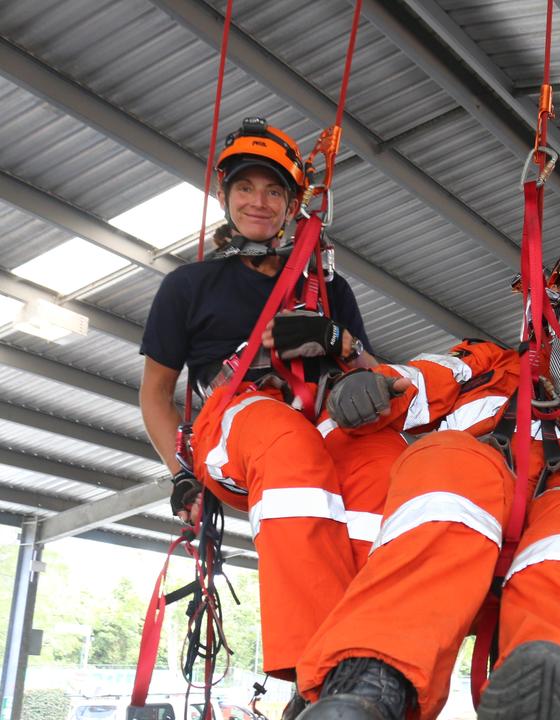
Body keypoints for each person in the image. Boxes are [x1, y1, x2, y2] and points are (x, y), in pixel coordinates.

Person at [290, 232, 560, 720]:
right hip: (476, 505)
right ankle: (370, 688)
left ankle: (554, 700)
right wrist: (372, 387)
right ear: (559, 293)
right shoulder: (487, 363)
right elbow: (420, 381)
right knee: (448, 459)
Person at [139, 117, 407, 683]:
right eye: (245, 187)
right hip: (236, 422)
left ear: (293, 206)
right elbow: (156, 394)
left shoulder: (329, 289)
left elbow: (371, 377)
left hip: (317, 419)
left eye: (274, 190)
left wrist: (338, 339)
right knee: (288, 446)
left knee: (386, 464)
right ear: (225, 196)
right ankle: (315, 669)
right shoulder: (188, 287)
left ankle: (375, 652)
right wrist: (182, 475)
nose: (258, 201)